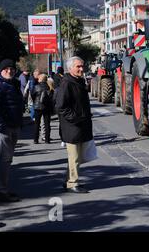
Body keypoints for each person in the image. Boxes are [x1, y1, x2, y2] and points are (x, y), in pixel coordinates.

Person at [0, 59, 23, 202]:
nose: (9, 71)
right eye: (6, 69)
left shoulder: (13, 83)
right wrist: (1, 127)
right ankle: (1, 191)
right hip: (3, 126)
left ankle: (2, 189)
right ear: (0, 70)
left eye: (12, 68)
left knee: (6, 159)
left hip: (12, 125)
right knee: (5, 158)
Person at [56, 56, 93, 194]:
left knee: (77, 157)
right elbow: (61, 106)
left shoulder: (78, 81)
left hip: (80, 125)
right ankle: (72, 183)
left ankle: (68, 180)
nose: (81, 69)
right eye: (78, 66)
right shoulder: (67, 83)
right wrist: (76, 118)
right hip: (72, 126)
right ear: (70, 68)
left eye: (82, 66)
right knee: (75, 157)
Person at [32, 74, 52, 144]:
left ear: (40, 79)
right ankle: (47, 139)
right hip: (47, 107)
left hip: (37, 107)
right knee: (47, 124)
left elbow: (33, 95)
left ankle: (35, 139)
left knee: (37, 124)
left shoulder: (36, 87)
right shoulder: (49, 87)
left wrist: (35, 102)